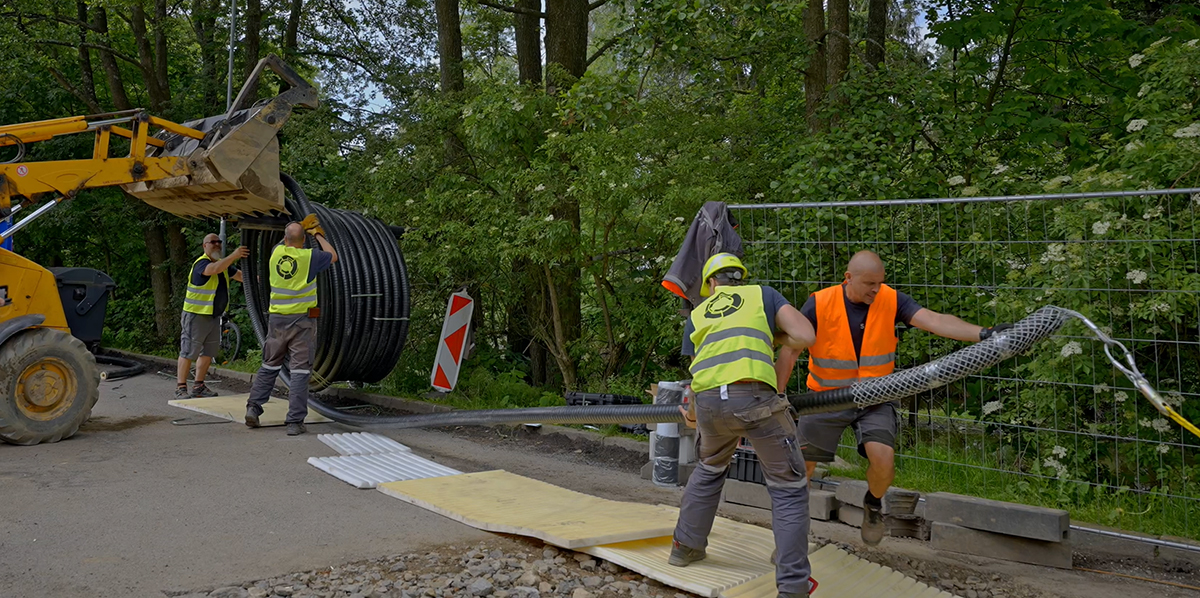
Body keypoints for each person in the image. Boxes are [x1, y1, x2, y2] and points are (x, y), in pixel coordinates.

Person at [776, 250, 1010, 546]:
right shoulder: (820, 303)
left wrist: (985, 334)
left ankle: (873, 504)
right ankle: (792, 541)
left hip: (876, 398)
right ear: (848, 278)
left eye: (880, 282)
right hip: (826, 399)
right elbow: (790, 350)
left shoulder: (891, 299)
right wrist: (778, 394)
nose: (876, 289)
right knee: (803, 469)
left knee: (884, 461)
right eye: (869, 283)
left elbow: (934, 321)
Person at [669, 253, 819, 597]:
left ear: (710, 284)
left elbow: (699, 369)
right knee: (788, 487)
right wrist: (775, 337)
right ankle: (794, 585)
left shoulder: (698, 313)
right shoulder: (762, 295)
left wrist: (693, 412)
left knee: (708, 467)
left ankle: (684, 547)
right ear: (741, 278)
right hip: (755, 402)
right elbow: (805, 335)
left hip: (708, 406)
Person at [244, 216, 338, 435]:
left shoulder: (276, 254)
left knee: (270, 365)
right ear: (303, 241)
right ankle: (294, 422)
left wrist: (299, 229)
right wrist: (318, 234)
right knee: (299, 371)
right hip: (302, 322)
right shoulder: (309, 257)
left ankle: (253, 408)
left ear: (285, 240)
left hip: (277, 320)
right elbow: (333, 256)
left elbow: (283, 241)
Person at [176, 234, 248, 399]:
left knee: (208, 352)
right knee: (188, 351)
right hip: (196, 315)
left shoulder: (223, 265)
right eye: (212, 242)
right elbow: (213, 270)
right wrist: (235, 255)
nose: (216, 245)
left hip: (213, 316)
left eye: (219, 242)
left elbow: (241, 276)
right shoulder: (202, 263)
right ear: (204, 246)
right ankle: (180, 388)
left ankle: (198, 385)